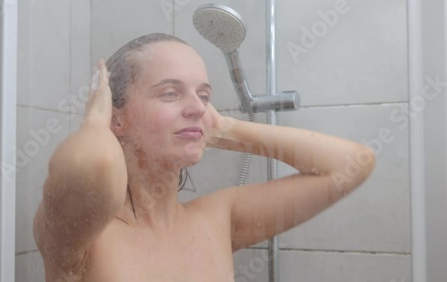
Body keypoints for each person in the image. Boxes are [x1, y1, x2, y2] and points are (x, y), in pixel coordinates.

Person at [33, 33, 375, 281]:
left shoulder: (220, 218)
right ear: (117, 116)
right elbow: (95, 165)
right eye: (170, 92)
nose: (198, 107)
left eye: (204, 95)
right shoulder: (78, 233)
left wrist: (226, 128)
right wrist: (96, 118)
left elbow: (353, 164)